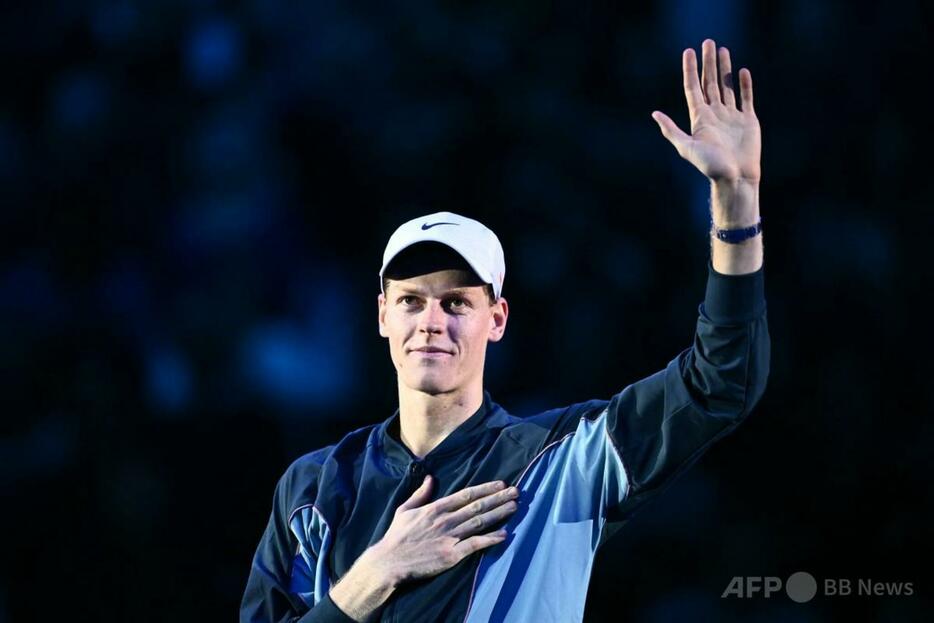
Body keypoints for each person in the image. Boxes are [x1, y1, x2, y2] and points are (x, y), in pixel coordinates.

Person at [240, 38, 769, 622]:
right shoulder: (313, 490)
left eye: (457, 303)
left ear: (498, 319)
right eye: (412, 301)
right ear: (383, 316)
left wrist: (736, 200)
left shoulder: (561, 461)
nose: (432, 322)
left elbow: (721, 380)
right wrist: (376, 572)